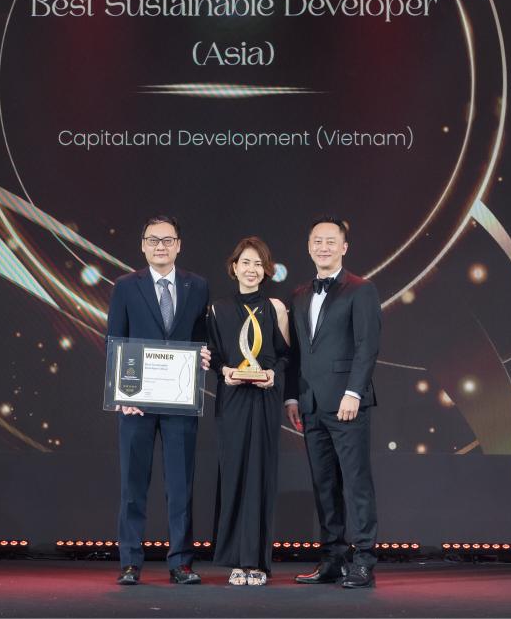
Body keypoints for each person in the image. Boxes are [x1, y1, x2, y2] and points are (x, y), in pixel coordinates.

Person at [107, 215, 211, 586]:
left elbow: (202, 337)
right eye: (153, 240)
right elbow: (115, 340)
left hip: (180, 401)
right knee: (133, 486)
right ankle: (130, 562)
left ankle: (181, 563)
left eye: (168, 240)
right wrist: (122, 394)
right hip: (136, 403)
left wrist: (204, 354)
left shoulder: (197, 286)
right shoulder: (125, 286)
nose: (161, 246)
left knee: (180, 487)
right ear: (143, 245)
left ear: (179, 245)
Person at [285, 216, 381, 589]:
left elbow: (367, 346)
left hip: (347, 403)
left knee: (356, 483)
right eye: (317, 241)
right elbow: (296, 352)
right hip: (310, 404)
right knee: (324, 484)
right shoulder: (299, 294)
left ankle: (364, 560)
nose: (323, 247)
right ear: (309, 247)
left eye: (330, 241)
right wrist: (292, 396)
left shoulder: (362, 289)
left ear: (344, 247)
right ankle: (332, 558)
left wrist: (354, 392)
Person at [207, 237, 291, 586]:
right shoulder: (218, 309)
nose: (252, 269)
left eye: (258, 264)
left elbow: (285, 356)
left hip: (265, 400)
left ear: (266, 270)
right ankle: (236, 562)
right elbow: (213, 356)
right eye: (246, 262)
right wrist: (224, 371)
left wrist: (273, 375)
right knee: (234, 476)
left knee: (261, 476)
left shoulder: (276, 308)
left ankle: (257, 562)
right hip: (232, 401)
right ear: (234, 267)